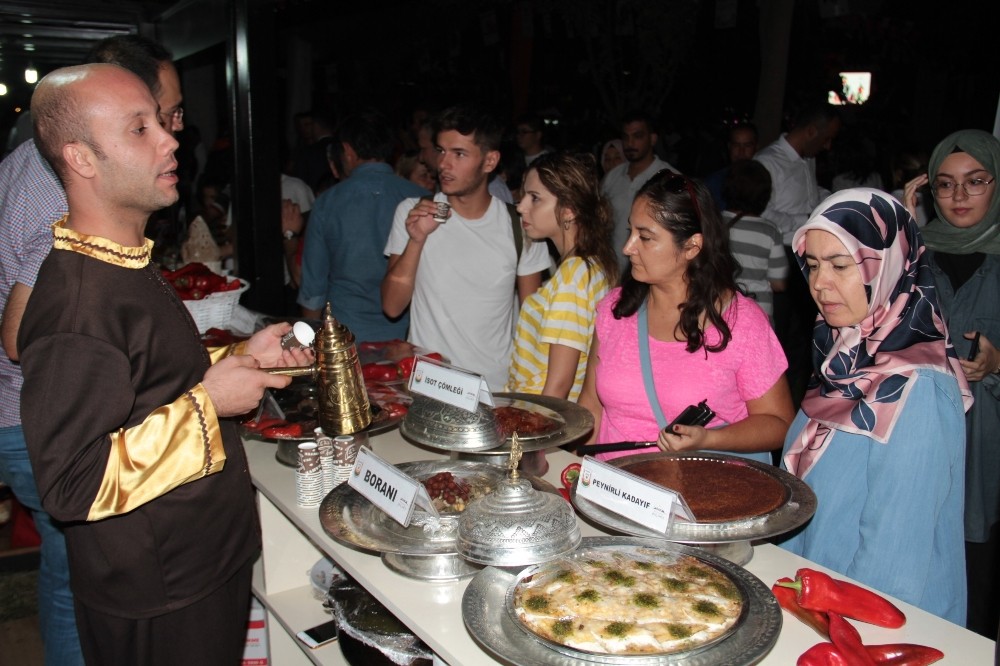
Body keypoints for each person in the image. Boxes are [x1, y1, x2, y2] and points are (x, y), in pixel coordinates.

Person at [18, 63, 308, 665]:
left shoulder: (121, 263)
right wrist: (210, 404)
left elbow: (150, 381)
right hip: (158, 587)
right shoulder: (78, 304)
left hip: (193, 560)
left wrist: (240, 357)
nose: (170, 139)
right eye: (139, 128)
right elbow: (72, 484)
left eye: (161, 121)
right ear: (82, 158)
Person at [0, 34, 185, 666]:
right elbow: (23, 334)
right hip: (26, 413)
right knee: (78, 571)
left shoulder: (28, 157)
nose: (170, 135)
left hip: (30, 409)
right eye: (153, 119)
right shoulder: (64, 189)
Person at [778, 188, 972, 625]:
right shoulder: (843, 355)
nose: (819, 283)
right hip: (811, 595)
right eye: (812, 265)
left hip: (867, 622)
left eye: (841, 266)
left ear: (888, 266)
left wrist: (833, 630)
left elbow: (893, 564)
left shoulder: (916, 386)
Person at [577, 170, 794, 464]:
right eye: (630, 232)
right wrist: (578, 470)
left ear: (692, 246)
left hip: (698, 498)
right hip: (613, 493)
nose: (628, 248)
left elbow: (779, 422)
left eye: (645, 237)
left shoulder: (740, 322)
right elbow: (592, 405)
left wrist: (709, 439)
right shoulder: (615, 309)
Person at [902, 129, 1000, 637]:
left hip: (987, 450)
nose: (958, 197)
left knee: (978, 587)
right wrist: (900, 233)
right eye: (944, 185)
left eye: (975, 181)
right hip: (921, 445)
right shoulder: (919, 257)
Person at [382, 105, 550, 390]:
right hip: (429, 384)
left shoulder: (520, 225)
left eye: (459, 154)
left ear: (490, 161)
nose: (443, 164)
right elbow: (392, 306)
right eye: (441, 151)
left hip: (494, 388)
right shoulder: (412, 212)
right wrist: (417, 239)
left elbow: (532, 321)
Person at [299, 110, 428, 342]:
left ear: (348, 151)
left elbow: (313, 289)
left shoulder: (328, 203)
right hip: (408, 335)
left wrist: (307, 343)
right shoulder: (423, 199)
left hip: (346, 334)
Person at [507, 152, 618, 401]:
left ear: (568, 211)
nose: (521, 206)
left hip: (538, 417)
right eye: (524, 195)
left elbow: (559, 384)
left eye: (535, 198)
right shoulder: (589, 265)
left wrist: (536, 433)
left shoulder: (574, 274)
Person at [601, 111, 679, 270]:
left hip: (651, 272)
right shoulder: (612, 177)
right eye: (625, 137)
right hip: (612, 269)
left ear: (652, 139)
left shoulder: (669, 178)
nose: (630, 143)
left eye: (637, 136)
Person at [721, 159, 788, 320]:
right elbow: (779, 283)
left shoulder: (713, 222)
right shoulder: (769, 231)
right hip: (757, 312)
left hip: (719, 307)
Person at [704, 121, 759, 212]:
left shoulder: (763, 181)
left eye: (747, 145)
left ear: (756, 147)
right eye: (736, 145)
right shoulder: (714, 182)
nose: (741, 151)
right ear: (729, 146)